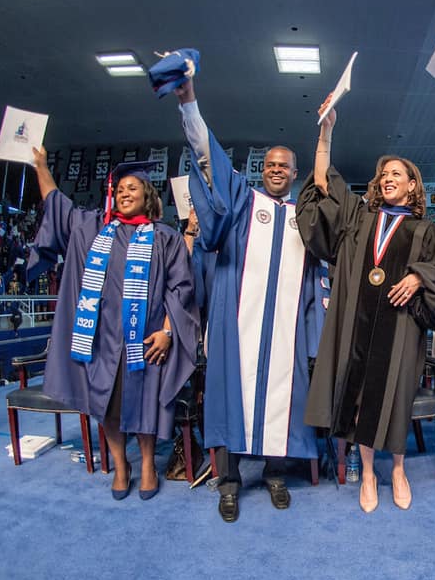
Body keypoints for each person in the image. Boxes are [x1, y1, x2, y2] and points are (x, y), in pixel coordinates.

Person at [297, 94, 435, 512]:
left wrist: (417, 275)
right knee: (359, 394)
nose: (387, 178)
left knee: (397, 393)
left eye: (397, 174)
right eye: (383, 173)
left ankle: (399, 468)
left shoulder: (425, 230)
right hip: (357, 324)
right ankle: (368, 473)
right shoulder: (359, 218)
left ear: (411, 185)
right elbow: (322, 182)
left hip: (403, 328)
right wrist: (326, 132)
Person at [172, 76, 325, 523]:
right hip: (238, 324)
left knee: (283, 397)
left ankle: (276, 475)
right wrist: (189, 105)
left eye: (285, 166)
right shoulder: (241, 203)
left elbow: (319, 273)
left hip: (284, 328)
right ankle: (231, 480)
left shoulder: (305, 218)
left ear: (296, 174)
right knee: (230, 396)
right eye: (272, 165)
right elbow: (210, 159)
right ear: (263, 170)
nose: (277, 170)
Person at [27, 146, 198, 499]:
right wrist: (41, 166)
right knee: (105, 404)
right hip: (101, 340)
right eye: (120, 189)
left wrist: (167, 331)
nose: (124, 193)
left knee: (146, 402)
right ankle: (122, 465)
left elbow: (180, 289)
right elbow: (58, 207)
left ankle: (148, 464)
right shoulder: (94, 229)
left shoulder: (164, 236)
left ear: (147, 195)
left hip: (147, 340)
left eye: (133, 188)